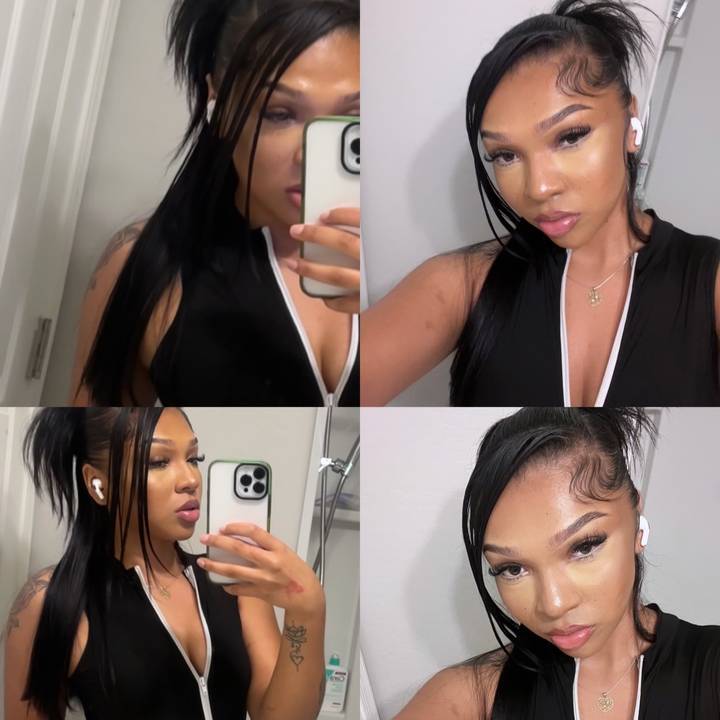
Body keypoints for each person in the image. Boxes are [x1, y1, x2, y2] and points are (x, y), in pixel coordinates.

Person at [361, 0, 720, 407]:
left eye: (570, 136)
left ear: (631, 123)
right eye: (505, 155)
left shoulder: (709, 282)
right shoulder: (462, 285)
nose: (539, 188)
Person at [71, 0, 360, 406]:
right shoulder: (144, 264)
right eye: (280, 113)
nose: (310, 156)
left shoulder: (388, 264)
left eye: (352, 118)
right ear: (219, 102)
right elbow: (101, 432)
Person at [395, 407, 720, 719]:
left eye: (584, 547)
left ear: (636, 518)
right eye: (512, 569)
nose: (553, 605)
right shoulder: (469, 696)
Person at [3, 407, 326, 720]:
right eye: (159, 462)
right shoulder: (51, 601)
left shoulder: (235, 582)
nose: (190, 479)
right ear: (98, 483)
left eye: (194, 459)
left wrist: (307, 609)